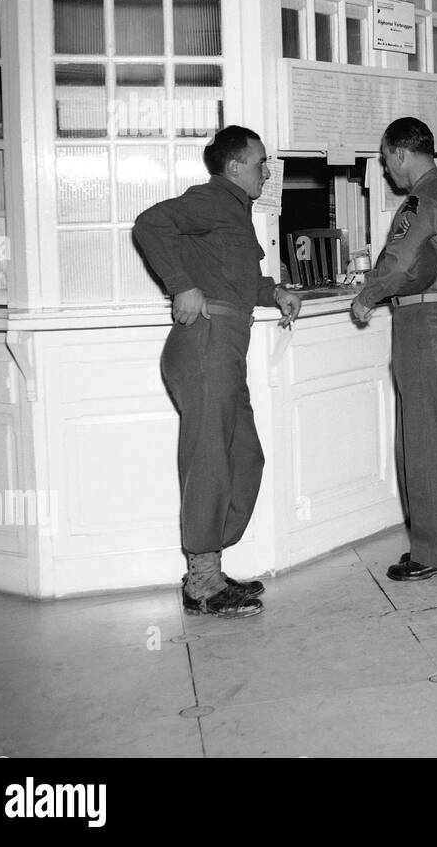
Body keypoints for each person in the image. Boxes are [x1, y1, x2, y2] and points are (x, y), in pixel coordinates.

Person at [133, 126, 302, 618]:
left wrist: (273, 292)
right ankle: (202, 581)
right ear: (234, 166)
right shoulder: (211, 198)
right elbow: (148, 224)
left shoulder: (234, 212)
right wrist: (181, 285)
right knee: (209, 460)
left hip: (226, 347)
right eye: (259, 162)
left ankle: (208, 564)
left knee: (243, 458)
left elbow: (234, 277)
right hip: (205, 344)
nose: (266, 171)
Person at [352, 117, 437, 582]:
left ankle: (436, 553)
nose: (386, 170)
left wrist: (368, 296)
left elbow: (400, 260)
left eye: (386, 160)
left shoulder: (421, 200)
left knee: (424, 443)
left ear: (402, 153)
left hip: (423, 324)